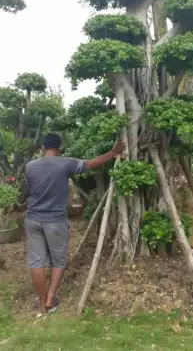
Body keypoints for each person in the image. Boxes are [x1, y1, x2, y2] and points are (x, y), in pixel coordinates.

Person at [24, 132, 124, 316]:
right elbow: (90, 163)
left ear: (42, 148)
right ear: (60, 149)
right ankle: (50, 298)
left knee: (36, 262)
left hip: (32, 220)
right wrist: (112, 153)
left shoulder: (30, 166)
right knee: (59, 261)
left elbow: (28, 190)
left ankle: (41, 307)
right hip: (55, 221)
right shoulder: (65, 163)